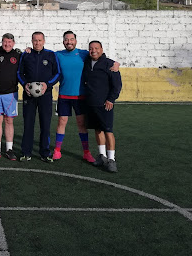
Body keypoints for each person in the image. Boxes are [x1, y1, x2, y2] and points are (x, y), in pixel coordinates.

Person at [54, 31, 119, 163]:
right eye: (66, 39)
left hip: (81, 97)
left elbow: (101, 58)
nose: (69, 42)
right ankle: (57, 150)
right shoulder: (58, 55)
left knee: (82, 124)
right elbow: (44, 55)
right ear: (63, 41)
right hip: (64, 96)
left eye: (71, 39)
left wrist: (116, 63)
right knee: (61, 123)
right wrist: (27, 50)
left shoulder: (84, 54)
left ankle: (86, 153)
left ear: (76, 41)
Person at [17, 31, 60, 162]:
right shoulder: (26, 55)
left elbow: (57, 73)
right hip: (29, 95)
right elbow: (19, 73)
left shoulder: (51, 55)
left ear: (44, 41)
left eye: (40, 40)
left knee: (45, 125)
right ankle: (26, 152)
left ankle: (45, 153)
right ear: (32, 41)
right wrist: (24, 84)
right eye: (35, 40)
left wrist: (47, 85)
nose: (37, 43)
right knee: (28, 124)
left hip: (45, 95)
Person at [82, 40, 122, 173]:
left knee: (108, 131)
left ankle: (112, 159)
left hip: (105, 105)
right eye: (91, 48)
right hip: (91, 103)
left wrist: (111, 99)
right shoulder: (87, 62)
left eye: (96, 48)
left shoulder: (110, 64)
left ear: (102, 49)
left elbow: (117, 85)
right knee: (97, 130)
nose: (93, 50)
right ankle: (102, 156)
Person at [0, 33, 21, 160]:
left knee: (9, 120)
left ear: (13, 43)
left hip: (11, 94)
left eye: (9, 42)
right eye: (5, 42)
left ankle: (9, 149)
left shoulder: (18, 55)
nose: (7, 44)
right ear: (2, 42)